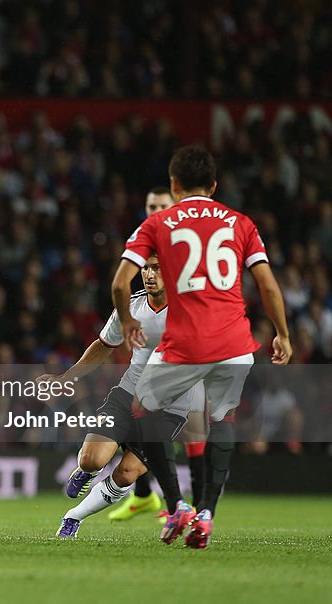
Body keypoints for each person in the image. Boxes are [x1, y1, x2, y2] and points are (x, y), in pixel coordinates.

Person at [113, 145, 292, 549]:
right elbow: (266, 284)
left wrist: (126, 321)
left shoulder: (158, 222)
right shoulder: (241, 222)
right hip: (234, 341)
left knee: (144, 405)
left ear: (175, 186)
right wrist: (282, 332)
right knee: (222, 418)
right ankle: (207, 513)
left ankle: (176, 504)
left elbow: (121, 282)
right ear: (213, 185)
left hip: (188, 340)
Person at [41, 253, 205, 538]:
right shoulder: (132, 308)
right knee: (91, 460)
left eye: (157, 268)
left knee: (126, 473)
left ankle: (73, 517)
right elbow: (104, 346)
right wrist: (65, 378)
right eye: (145, 268)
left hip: (169, 409)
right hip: (128, 393)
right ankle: (87, 472)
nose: (149, 274)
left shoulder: (190, 311)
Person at [110, 188, 206, 523]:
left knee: (191, 425)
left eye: (162, 205)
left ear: (176, 205)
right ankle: (148, 496)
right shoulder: (145, 241)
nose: (155, 210)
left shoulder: (187, 243)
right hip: (156, 349)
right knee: (139, 415)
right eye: (151, 205)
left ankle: (193, 505)